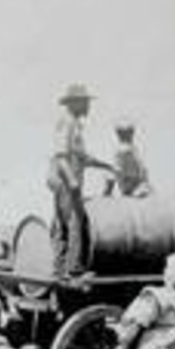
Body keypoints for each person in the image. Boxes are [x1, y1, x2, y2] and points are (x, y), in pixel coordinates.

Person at [46, 83, 113, 278]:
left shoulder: (75, 124)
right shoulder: (66, 122)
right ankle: (71, 269)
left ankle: (61, 269)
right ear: (75, 103)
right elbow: (60, 156)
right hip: (65, 182)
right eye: (85, 102)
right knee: (74, 223)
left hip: (67, 181)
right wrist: (72, 181)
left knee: (65, 225)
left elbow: (83, 157)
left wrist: (106, 165)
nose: (88, 107)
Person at [107, 118, 153, 198]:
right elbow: (116, 170)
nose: (128, 136)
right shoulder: (122, 151)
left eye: (129, 133)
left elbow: (142, 168)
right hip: (128, 184)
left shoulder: (133, 150)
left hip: (136, 183)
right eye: (124, 133)